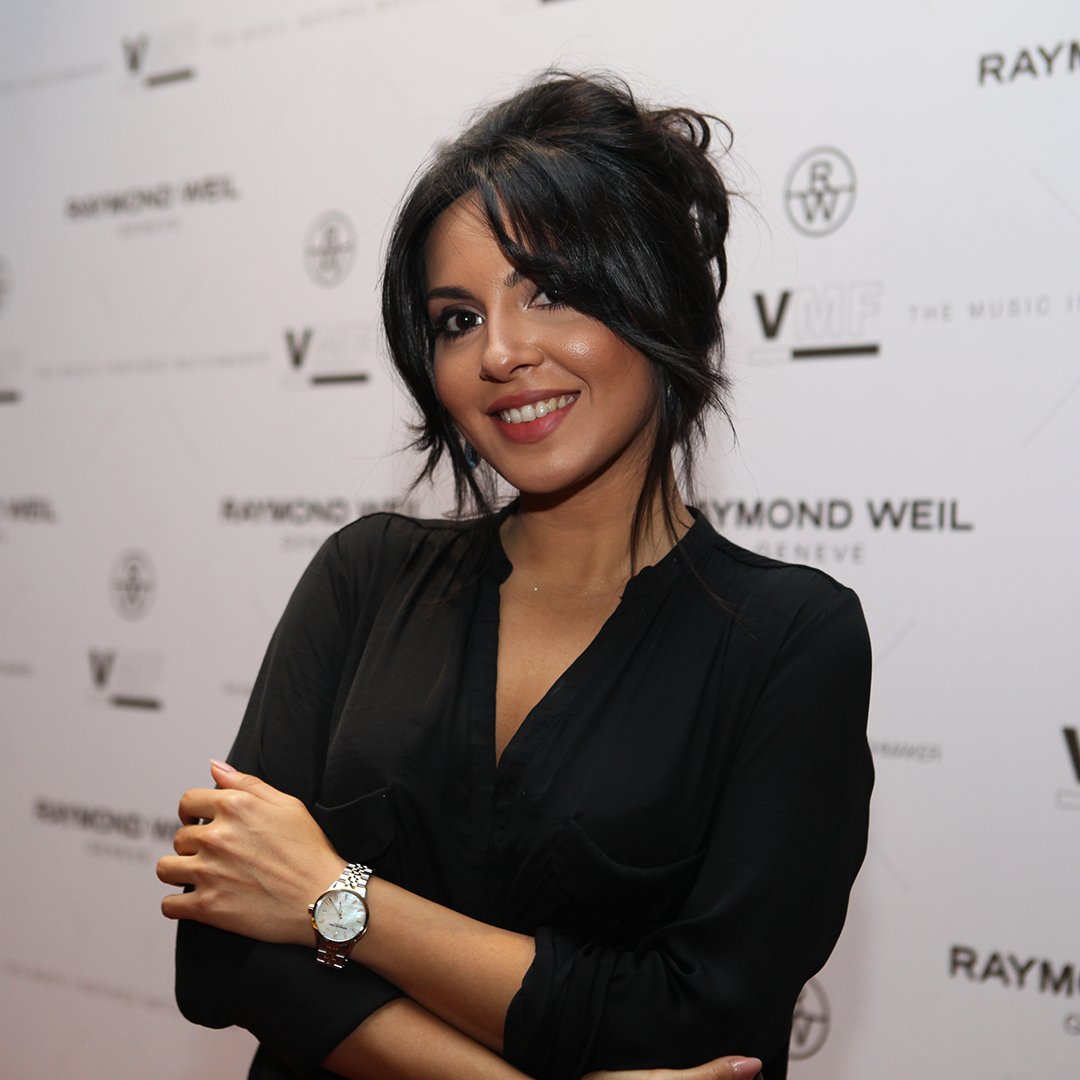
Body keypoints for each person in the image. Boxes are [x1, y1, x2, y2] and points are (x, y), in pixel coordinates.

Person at [157, 71, 873, 1080]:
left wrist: (330, 896)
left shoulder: (788, 638)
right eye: (457, 319)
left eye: (550, 291)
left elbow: (703, 1019)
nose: (499, 354)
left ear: (662, 298)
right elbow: (222, 951)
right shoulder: (365, 578)